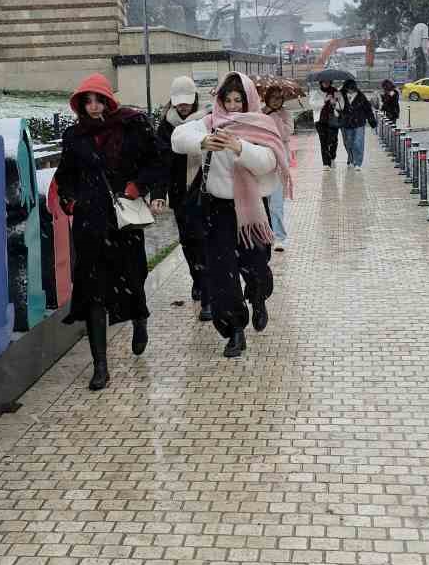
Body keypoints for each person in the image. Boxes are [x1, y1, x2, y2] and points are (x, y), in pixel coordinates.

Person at [52, 73, 167, 390]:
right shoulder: (74, 136)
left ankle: (139, 320)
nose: (92, 106)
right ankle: (100, 365)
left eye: (97, 99)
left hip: (123, 221)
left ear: (107, 100)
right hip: (89, 224)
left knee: (132, 278)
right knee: (93, 293)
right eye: (86, 101)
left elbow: (156, 162)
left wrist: (138, 186)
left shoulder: (131, 126)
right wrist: (69, 200)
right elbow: (66, 174)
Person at [171, 72, 292, 359]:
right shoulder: (210, 122)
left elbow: (267, 163)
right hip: (218, 210)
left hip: (250, 209)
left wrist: (239, 147)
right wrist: (203, 141)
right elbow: (179, 137)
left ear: (248, 100)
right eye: (228, 100)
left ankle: (258, 298)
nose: (234, 105)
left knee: (256, 265)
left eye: (239, 99)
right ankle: (234, 329)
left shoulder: (262, 125)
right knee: (221, 274)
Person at [158, 76, 212, 321]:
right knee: (187, 240)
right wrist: (159, 193)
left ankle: (208, 291)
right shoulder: (165, 126)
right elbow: (160, 161)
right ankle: (197, 278)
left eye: (187, 102)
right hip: (179, 191)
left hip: (204, 189)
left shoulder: (207, 120)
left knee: (204, 239)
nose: (183, 107)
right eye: (179, 102)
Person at [256, 77, 301, 252]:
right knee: (262, 203)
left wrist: (275, 118)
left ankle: (279, 237)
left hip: (279, 164)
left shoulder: (286, 115)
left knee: (276, 203)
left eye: (279, 98)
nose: (277, 101)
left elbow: (285, 134)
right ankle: (265, 234)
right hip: (262, 162)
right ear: (267, 98)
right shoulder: (259, 114)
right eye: (273, 97)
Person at [338, 78, 377, 168]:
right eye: (348, 89)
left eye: (352, 89)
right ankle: (351, 159)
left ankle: (357, 162)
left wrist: (372, 121)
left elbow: (368, 109)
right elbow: (337, 109)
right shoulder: (341, 96)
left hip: (359, 122)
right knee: (348, 143)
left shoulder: (361, 96)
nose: (350, 91)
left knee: (358, 142)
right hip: (346, 123)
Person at [315, 81, 342, 168]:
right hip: (320, 121)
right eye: (324, 81)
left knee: (334, 140)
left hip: (333, 120)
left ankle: (332, 157)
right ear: (321, 83)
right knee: (323, 142)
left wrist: (335, 102)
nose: (326, 83)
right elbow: (312, 104)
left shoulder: (336, 91)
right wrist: (324, 100)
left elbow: (341, 105)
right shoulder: (317, 93)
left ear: (330, 82)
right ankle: (326, 163)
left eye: (327, 81)